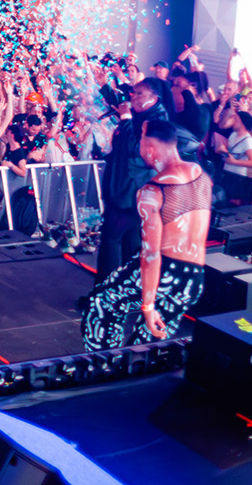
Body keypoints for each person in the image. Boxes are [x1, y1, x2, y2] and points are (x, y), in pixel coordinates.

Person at [81, 118, 212, 348]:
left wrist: (147, 306)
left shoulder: (152, 192)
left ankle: (103, 366)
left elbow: (151, 256)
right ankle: (136, 368)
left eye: (141, 142)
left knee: (100, 303)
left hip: (166, 271)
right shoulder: (200, 175)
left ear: (150, 149)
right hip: (193, 277)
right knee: (150, 338)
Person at [95, 79, 171, 286]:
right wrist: (104, 85)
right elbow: (120, 103)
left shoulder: (158, 121)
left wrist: (126, 119)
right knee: (131, 245)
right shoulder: (146, 114)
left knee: (112, 241)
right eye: (133, 93)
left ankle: (104, 293)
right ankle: (124, 291)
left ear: (153, 98)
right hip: (128, 190)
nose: (132, 97)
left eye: (139, 94)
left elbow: (137, 149)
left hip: (130, 192)